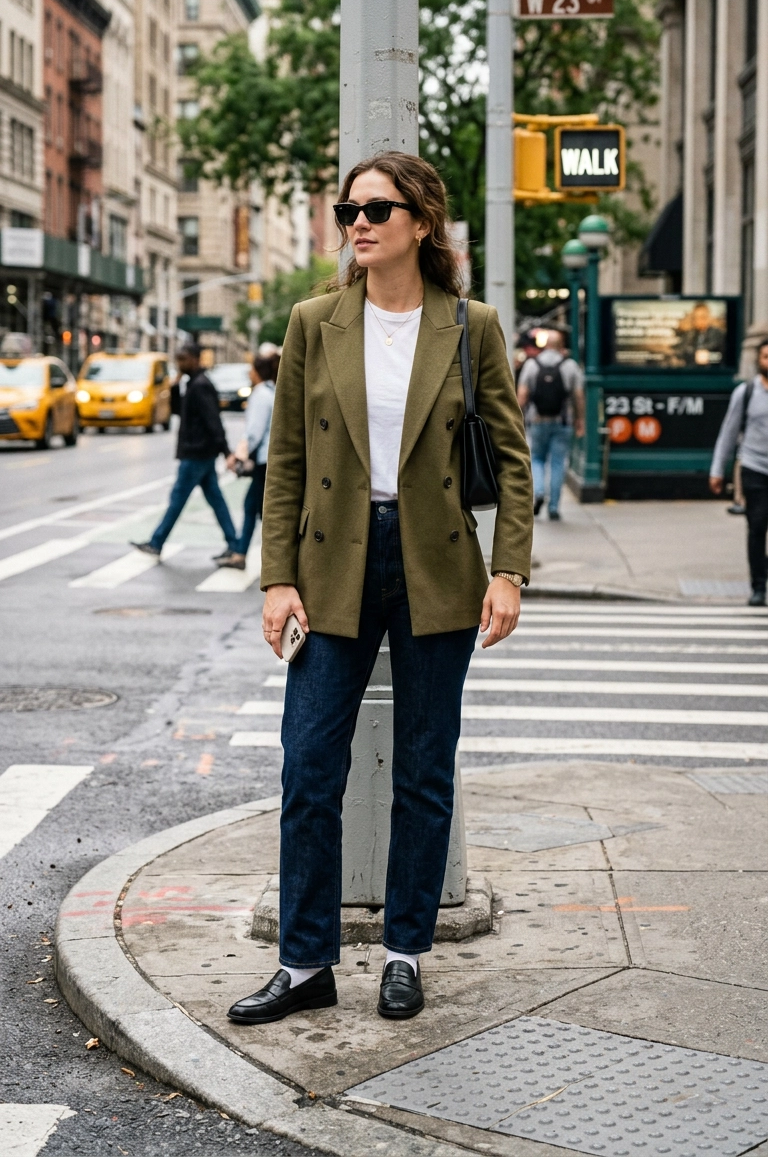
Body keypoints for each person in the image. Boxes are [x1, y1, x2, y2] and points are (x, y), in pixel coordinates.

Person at [227, 151, 532, 1028]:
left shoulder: (469, 326)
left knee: (424, 769)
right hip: (333, 561)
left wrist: (508, 569)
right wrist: (275, 578)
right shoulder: (314, 320)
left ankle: (404, 952)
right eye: (347, 209)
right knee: (310, 766)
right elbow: (285, 464)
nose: (357, 222)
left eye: (376, 209)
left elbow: (512, 464)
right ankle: (304, 962)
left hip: (436, 561)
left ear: (421, 222)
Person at [131, 343, 239, 561]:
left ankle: (156, 542)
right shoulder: (192, 383)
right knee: (215, 499)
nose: (179, 363)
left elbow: (213, 421)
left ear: (196, 359)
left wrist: (226, 450)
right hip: (199, 453)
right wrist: (174, 386)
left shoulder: (200, 385)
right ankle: (234, 544)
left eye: (184, 359)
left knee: (178, 499)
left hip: (196, 454)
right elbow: (179, 412)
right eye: (178, 359)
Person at [709, 338, 768, 606]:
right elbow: (728, 433)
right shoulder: (745, 393)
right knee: (757, 526)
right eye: (766, 356)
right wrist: (717, 470)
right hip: (754, 467)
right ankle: (758, 586)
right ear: (758, 360)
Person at [220, 352, 280, 569]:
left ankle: (276, 558)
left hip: (264, 461)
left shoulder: (261, 394)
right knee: (253, 507)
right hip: (268, 460)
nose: (248, 372)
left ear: (257, 372)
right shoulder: (271, 391)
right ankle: (240, 553)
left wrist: (238, 455)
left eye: (251, 369)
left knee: (263, 512)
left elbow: (254, 431)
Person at [516, 330, 585, 520]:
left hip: (537, 420)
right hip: (562, 422)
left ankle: (538, 493)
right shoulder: (570, 366)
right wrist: (580, 421)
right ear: (561, 346)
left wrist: (516, 421)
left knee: (537, 459)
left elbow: (521, 396)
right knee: (557, 462)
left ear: (545, 345)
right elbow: (578, 396)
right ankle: (554, 507)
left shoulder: (531, 365)